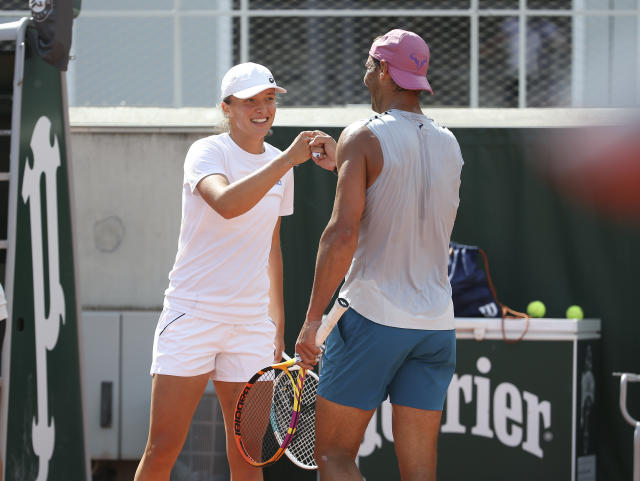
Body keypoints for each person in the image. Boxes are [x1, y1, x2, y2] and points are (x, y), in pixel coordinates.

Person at [134, 62, 333, 481]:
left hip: (250, 326)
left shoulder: (281, 163)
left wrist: (274, 322)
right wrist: (287, 163)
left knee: (246, 457)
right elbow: (226, 204)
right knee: (161, 450)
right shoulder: (208, 152)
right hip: (192, 315)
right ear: (227, 107)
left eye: (269, 99)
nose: (262, 109)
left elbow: (271, 247)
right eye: (249, 102)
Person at [295, 29, 464, 481]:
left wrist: (313, 321)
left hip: (373, 319)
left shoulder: (363, 136)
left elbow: (341, 232)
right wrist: (349, 162)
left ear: (385, 71)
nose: (366, 75)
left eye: (370, 66)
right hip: (435, 327)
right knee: (420, 474)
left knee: (333, 457)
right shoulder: (450, 144)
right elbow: (402, 193)